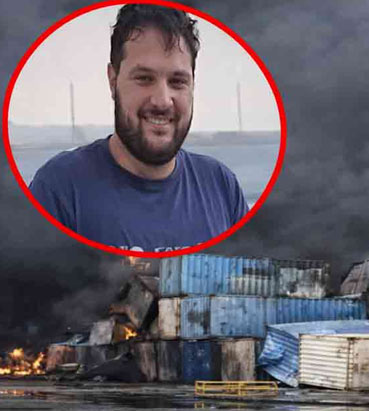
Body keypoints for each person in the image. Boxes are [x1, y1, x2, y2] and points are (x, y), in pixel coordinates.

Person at [29, 5, 248, 253]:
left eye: (177, 81)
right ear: (113, 81)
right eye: (144, 78)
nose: (162, 101)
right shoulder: (60, 188)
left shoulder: (221, 186)